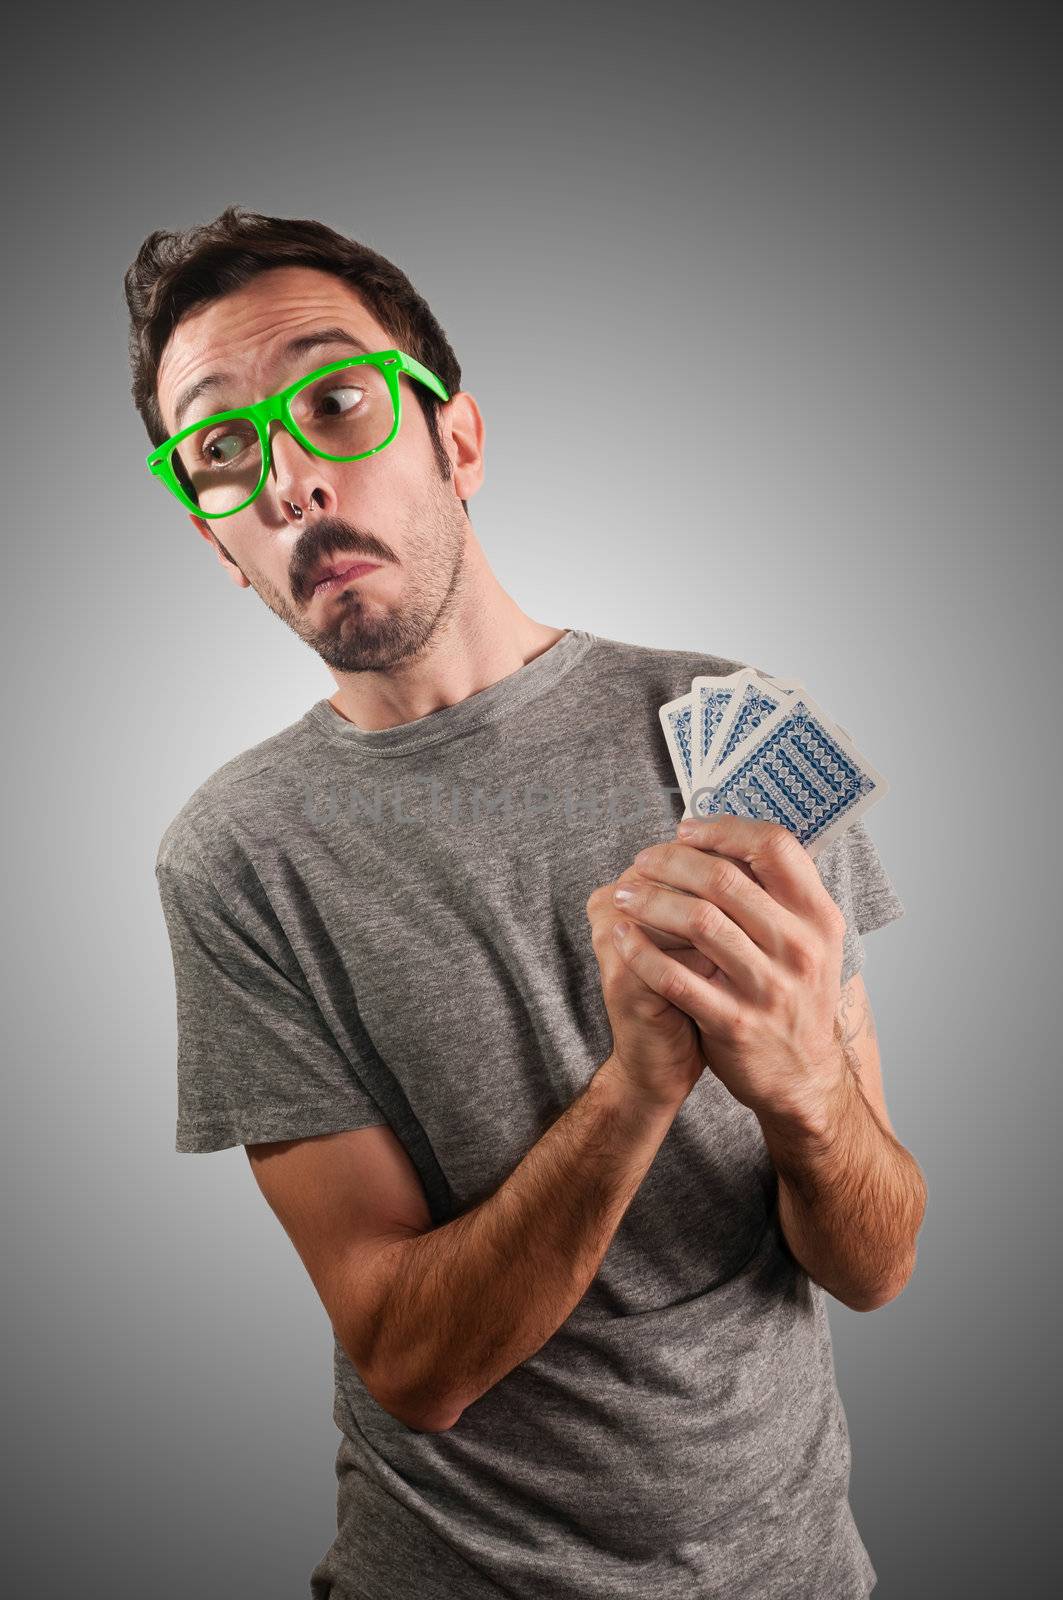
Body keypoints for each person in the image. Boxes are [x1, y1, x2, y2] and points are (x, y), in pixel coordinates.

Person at [132, 206, 924, 1599]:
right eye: (220, 451)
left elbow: (876, 1264)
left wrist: (807, 1093)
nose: (290, 483)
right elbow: (411, 1362)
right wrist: (636, 1087)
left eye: (335, 403)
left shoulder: (724, 724)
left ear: (458, 441)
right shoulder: (237, 858)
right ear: (215, 540)